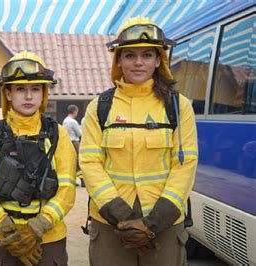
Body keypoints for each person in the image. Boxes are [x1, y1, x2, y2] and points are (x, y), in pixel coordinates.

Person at [80, 17, 198, 266]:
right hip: (110, 224)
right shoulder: (99, 107)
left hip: (165, 224)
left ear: (158, 61)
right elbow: (90, 163)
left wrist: (152, 222)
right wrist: (122, 217)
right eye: (130, 55)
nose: (138, 62)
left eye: (147, 55)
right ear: (119, 61)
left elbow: (185, 165)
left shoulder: (178, 106)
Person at [0, 51, 76, 265]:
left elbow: (67, 190)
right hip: (2, 241)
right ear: (7, 93)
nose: (28, 96)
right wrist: (7, 230)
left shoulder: (58, 134)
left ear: (44, 93)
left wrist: (39, 226)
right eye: (20, 89)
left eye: (35, 89)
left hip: (49, 240)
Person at [62, 105, 84, 187]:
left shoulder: (65, 120)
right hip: (75, 142)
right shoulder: (73, 122)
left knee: (70, 161)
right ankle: (82, 181)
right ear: (75, 111)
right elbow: (79, 134)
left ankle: (72, 180)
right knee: (78, 161)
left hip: (67, 142)